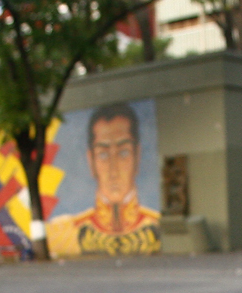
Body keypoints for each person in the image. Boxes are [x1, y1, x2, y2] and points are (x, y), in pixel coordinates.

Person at [46, 103, 161, 256]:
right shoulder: (62, 232)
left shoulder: (158, 225)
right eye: (103, 155)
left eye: (123, 153)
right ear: (91, 161)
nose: (114, 171)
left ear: (137, 156)